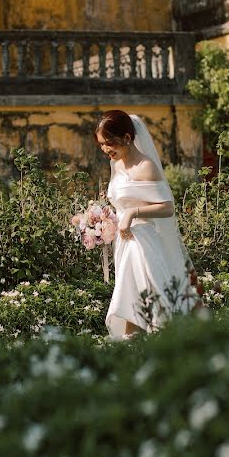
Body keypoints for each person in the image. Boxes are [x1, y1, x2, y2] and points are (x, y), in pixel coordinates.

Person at [96, 110, 200, 340]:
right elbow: (121, 202)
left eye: (109, 143)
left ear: (127, 137)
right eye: (102, 144)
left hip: (142, 242)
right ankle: (137, 344)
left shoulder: (146, 166)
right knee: (136, 295)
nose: (105, 150)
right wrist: (102, 220)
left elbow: (167, 207)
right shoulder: (118, 165)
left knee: (137, 295)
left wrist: (133, 212)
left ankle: (135, 342)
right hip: (124, 243)